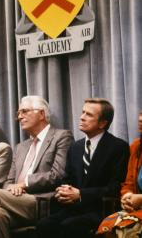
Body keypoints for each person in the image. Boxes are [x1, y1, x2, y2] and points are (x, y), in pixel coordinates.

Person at [0, 95, 74, 238]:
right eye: (18, 113)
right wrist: (11, 188)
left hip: (42, 201)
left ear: (41, 114)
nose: (19, 117)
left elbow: (57, 175)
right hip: (16, 200)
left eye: (24, 111)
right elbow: (8, 181)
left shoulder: (61, 137)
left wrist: (24, 184)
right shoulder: (20, 147)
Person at [36, 98, 130, 238]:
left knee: (70, 226)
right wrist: (63, 190)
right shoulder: (76, 147)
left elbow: (114, 187)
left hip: (102, 209)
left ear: (103, 123)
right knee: (44, 224)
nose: (81, 117)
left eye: (89, 115)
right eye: (83, 112)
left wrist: (81, 194)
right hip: (74, 208)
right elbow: (67, 178)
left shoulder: (118, 147)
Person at [98, 111, 142, 237]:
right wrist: (127, 197)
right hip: (136, 210)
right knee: (107, 227)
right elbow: (127, 183)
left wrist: (140, 199)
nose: (140, 119)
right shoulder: (136, 146)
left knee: (127, 231)